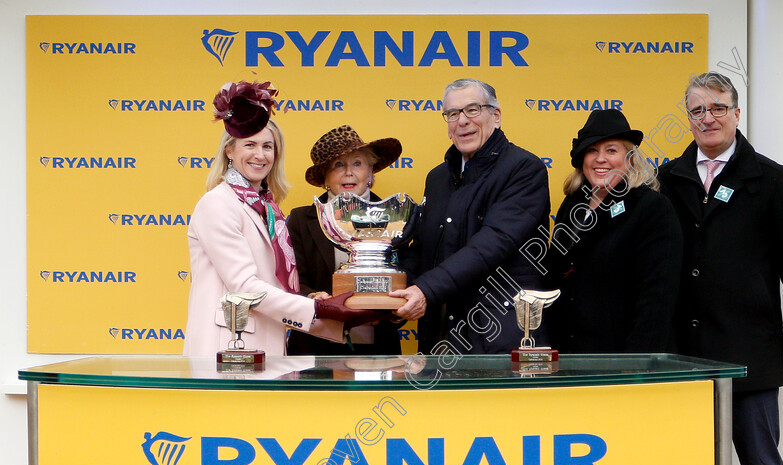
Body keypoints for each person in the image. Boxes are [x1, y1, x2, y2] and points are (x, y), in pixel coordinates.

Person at [658, 72, 783, 465]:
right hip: (683, 359)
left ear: (736, 113)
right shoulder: (669, 178)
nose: (707, 117)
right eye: (697, 110)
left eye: (717, 108)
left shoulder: (771, 180)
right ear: (687, 118)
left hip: (748, 355)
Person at [183, 81, 377, 357]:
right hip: (228, 347)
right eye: (250, 145)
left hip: (267, 343)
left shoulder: (266, 208)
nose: (260, 155)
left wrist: (339, 322)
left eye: (268, 147)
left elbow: (278, 285)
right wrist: (319, 308)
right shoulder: (217, 204)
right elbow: (246, 286)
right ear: (229, 151)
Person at [391, 78, 551, 354]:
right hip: (441, 338)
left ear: (496, 116)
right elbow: (423, 249)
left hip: (498, 335)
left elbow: (492, 244)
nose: (462, 121)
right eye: (452, 114)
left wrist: (424, 290)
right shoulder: (437, 178)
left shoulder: (524, 169)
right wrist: (390, 294)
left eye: (473, 110)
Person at [546, 109, 682, 353]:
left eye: (611, 150)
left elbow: (657, 296)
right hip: (570, 360)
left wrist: (637, 364)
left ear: (629, 159)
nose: (600, 159)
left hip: (624, 362)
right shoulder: (571, 206)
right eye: (592, 150)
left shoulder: (651, 207)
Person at [286, 125, 404, 355]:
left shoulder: (396, 218)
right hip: (314, 347)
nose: (348, 172)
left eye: (358, 163)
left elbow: (408, 276)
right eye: (339, 165)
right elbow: (291, 282)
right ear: (325, 177)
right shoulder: (301, 220)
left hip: (379, 347)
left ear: (371, 173)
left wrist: (395, 310)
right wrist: (313, 298)